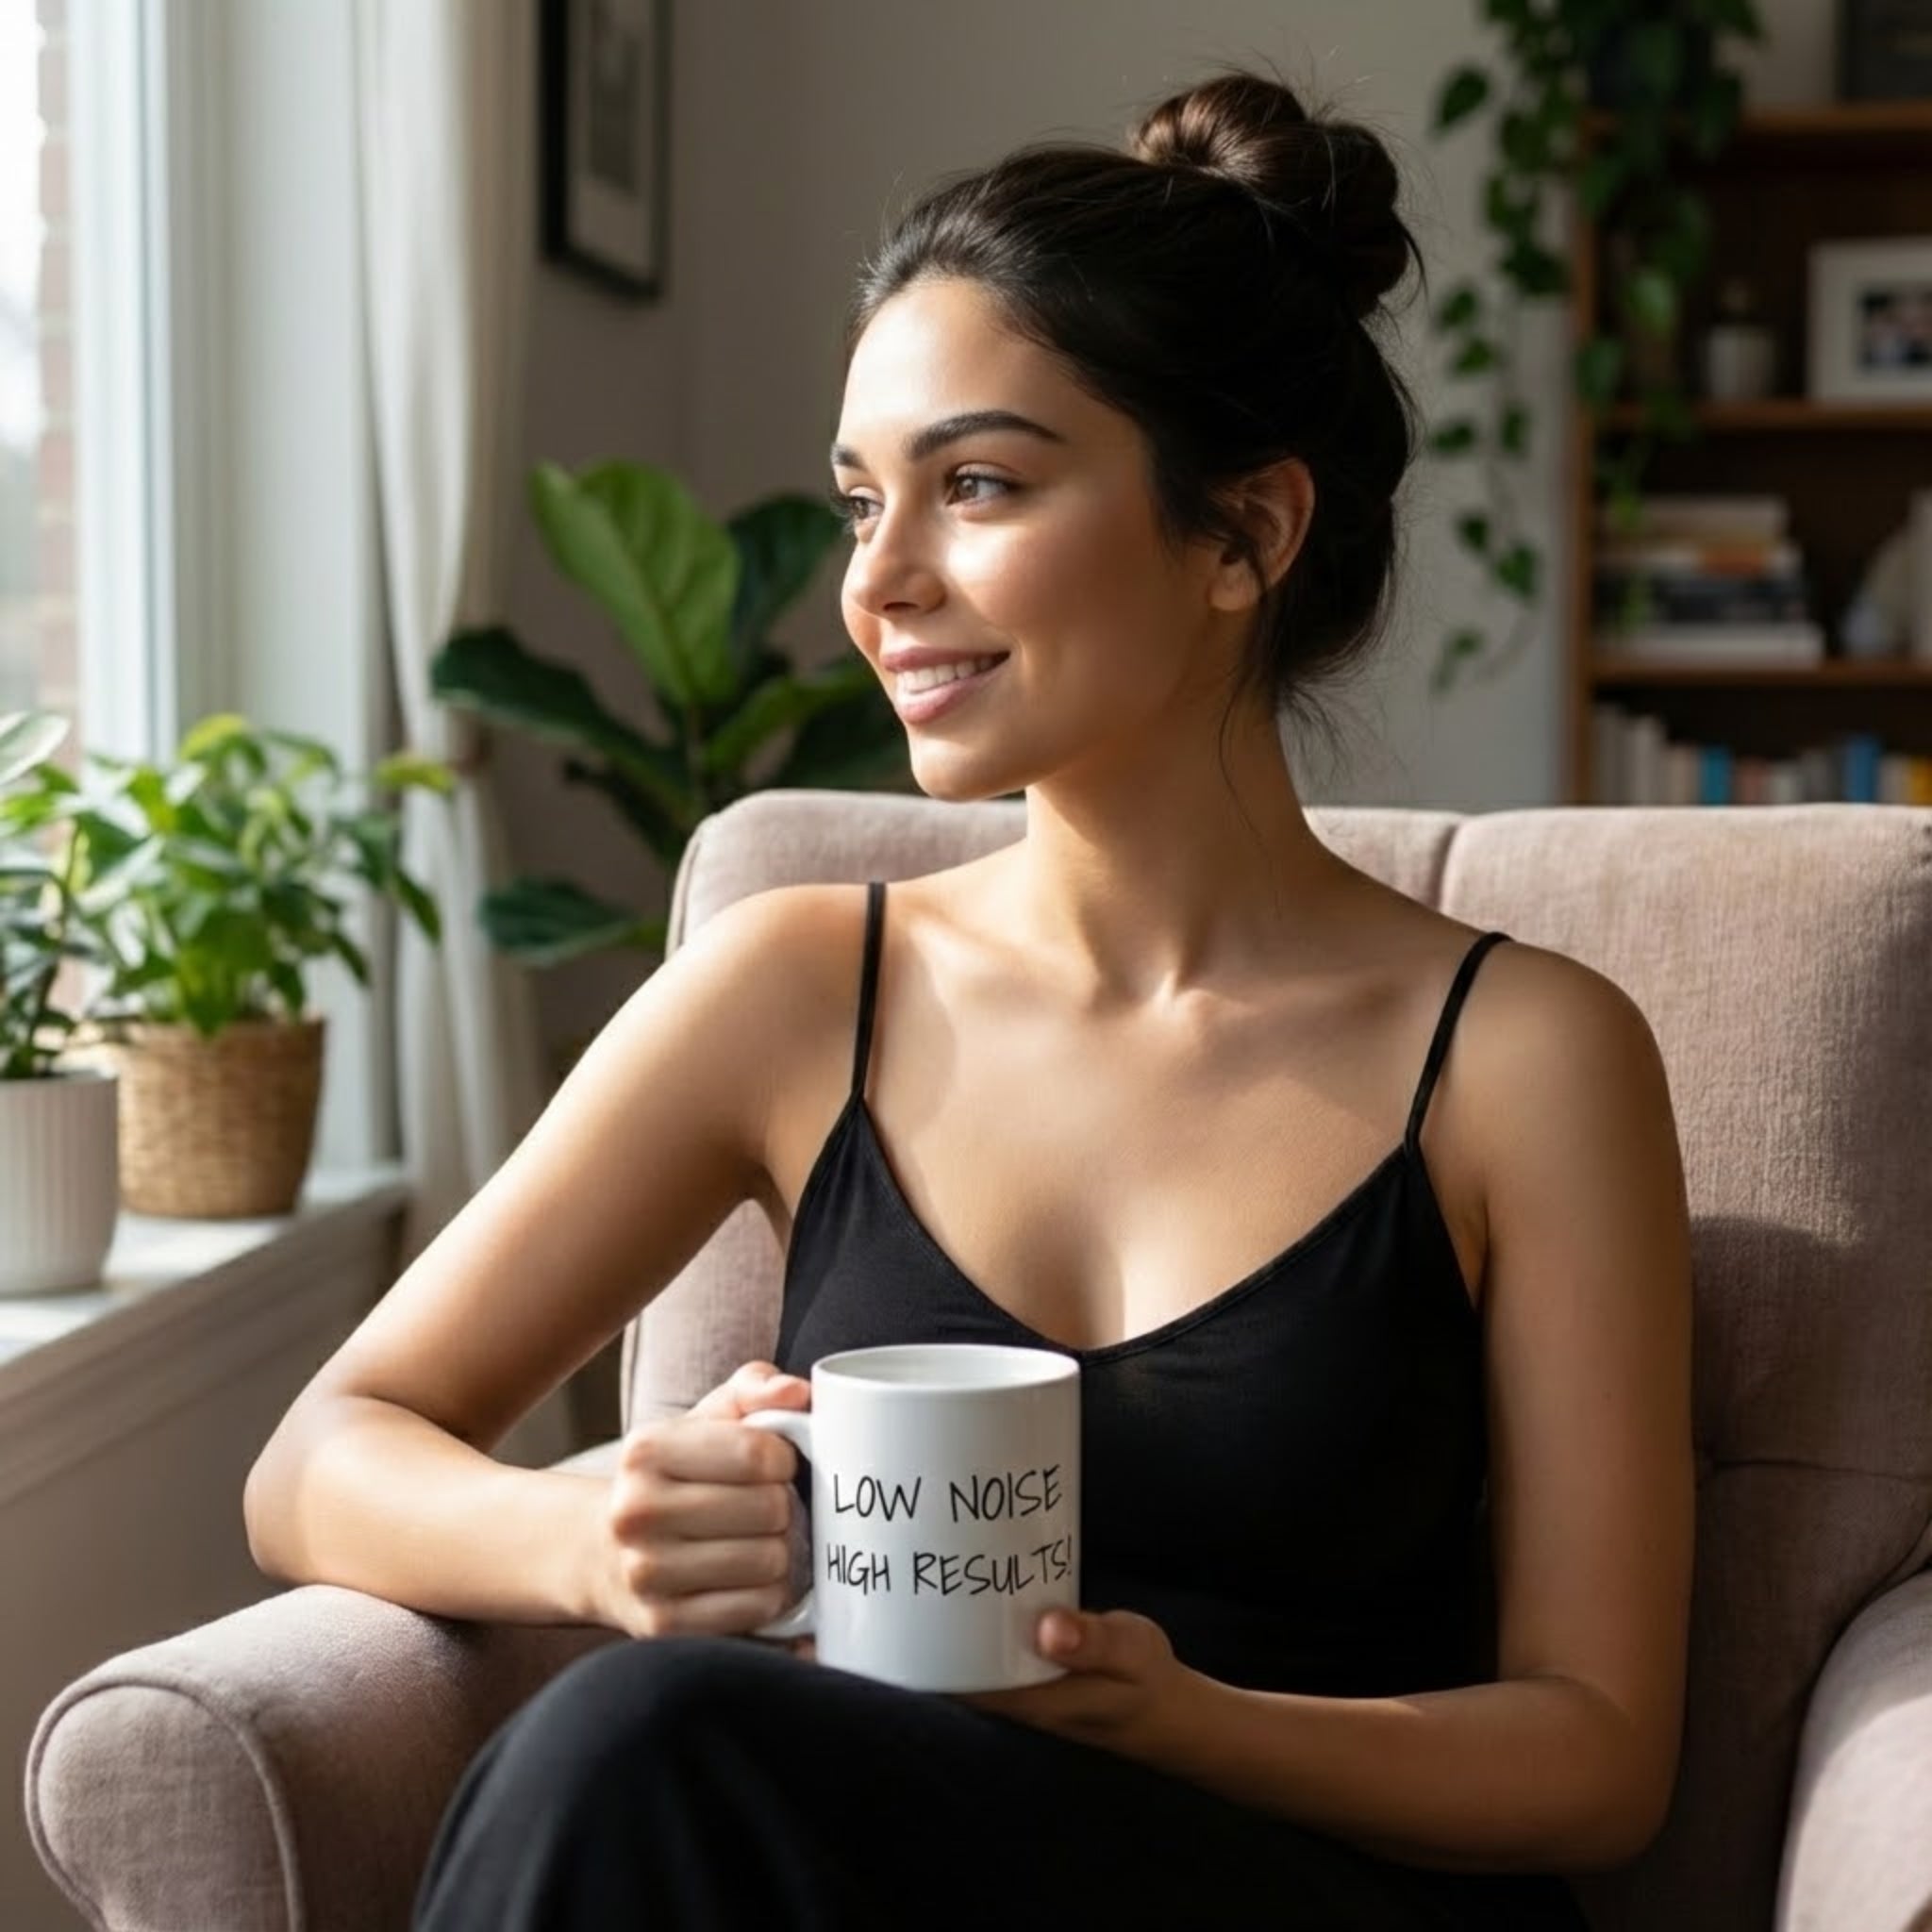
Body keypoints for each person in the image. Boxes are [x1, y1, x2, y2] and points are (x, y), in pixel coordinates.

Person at [243, 66, 1693, 1930]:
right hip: (857, 1867)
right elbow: (319, 1459)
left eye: (978, 484)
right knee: (642, 1739)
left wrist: (1181, 1716)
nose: (880, 581)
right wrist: (578, 1528)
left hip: (1315, 1883)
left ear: (1244, 533)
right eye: (861, 501)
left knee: (648, 1752)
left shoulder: (1522, 1055)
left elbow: (1595, 1754)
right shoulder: (793, 986)